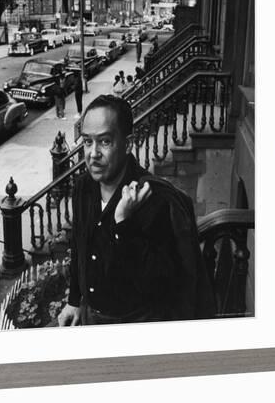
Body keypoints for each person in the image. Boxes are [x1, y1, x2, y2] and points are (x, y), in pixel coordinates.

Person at [58, 95, 215, 326]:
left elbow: (164, 284)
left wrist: (124, 224)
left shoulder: (157, 200)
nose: (93, 154)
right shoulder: (83, 187)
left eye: (104, 142)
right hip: (91, 316)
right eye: (87, 142)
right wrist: (74, 300)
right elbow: (80, 246)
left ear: (128, 144)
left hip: (136, 322)